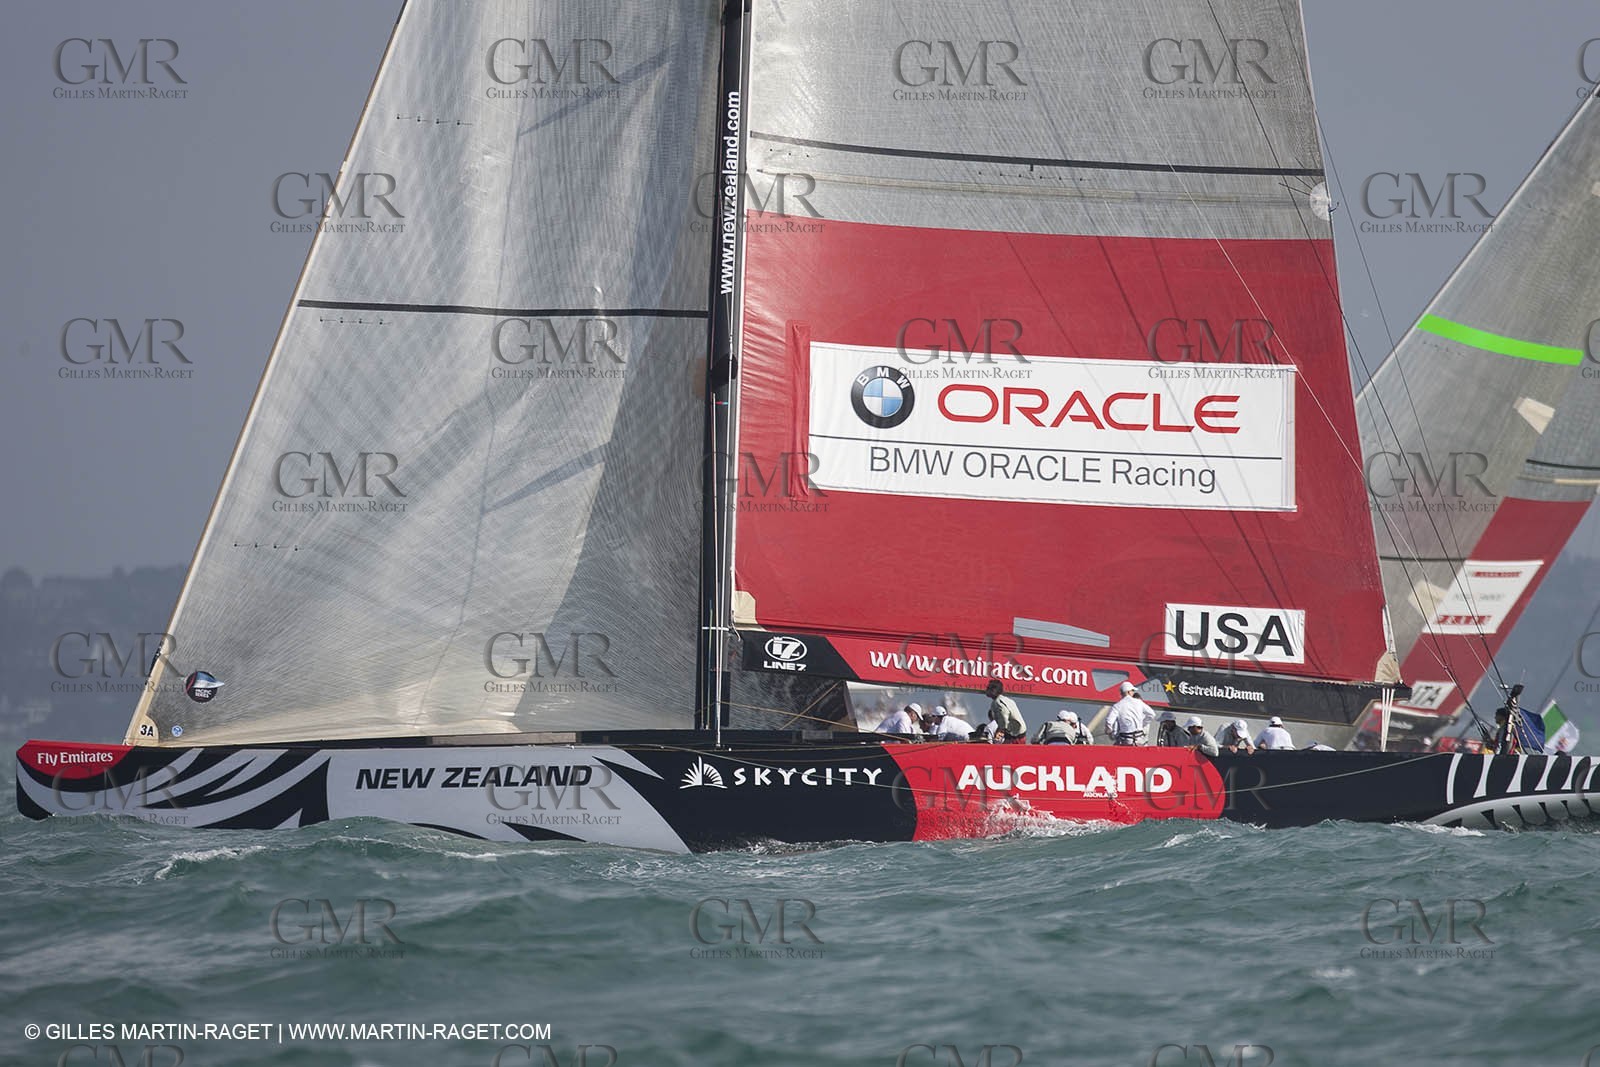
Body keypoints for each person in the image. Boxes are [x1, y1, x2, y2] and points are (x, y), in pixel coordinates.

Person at [1104, 681, 1156, 745]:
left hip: (1125, 741)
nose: (1133, 692)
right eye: (1133, 690)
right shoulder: (1139, 702)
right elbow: (1152, 714)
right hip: (1139, 740)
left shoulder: (1117, 706)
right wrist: (1142, 724)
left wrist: (1108, 731)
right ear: (1128, 692)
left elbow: (1109, 721)